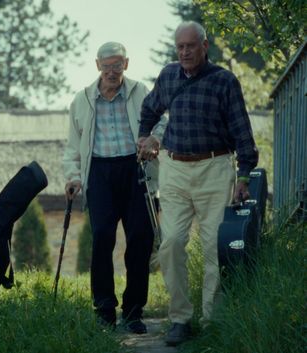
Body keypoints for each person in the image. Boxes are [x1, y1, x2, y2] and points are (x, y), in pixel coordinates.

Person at [138, 21, 258, 346]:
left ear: (205, 46)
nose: (185, 52)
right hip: (174, 168)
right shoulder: (167, 76)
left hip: (215, 168)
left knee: (213, 249)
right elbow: (148, 110)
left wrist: (244, 176)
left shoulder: (224, 81)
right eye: (180, 47)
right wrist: (145, 138)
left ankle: (211, 321)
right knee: (171, 242)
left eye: (191, 46)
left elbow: (242, 131)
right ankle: (179, 319)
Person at [63, 42, 167, 334]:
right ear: (97, 65)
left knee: (140, 240)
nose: (112, 71)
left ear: (127, 64)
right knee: (102, 238)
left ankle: (134, 312)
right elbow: (72, 147)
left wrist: (153, 140)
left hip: (136, 169)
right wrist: (73, 176)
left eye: (117, 64)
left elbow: (161, 123)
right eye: (106, 65)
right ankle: (104, 310)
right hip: (99, 172)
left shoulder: (140, 91)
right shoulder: (81, 100)